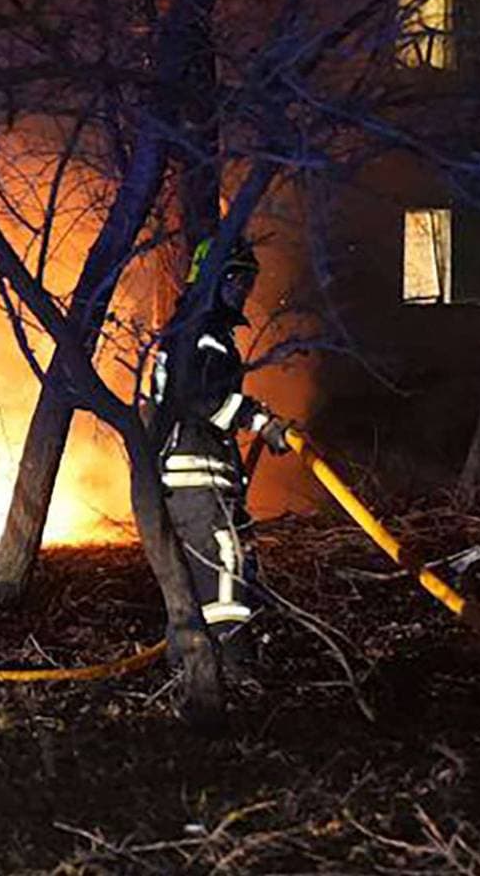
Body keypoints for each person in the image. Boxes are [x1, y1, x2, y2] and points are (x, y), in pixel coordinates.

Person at [150, 237, 293, 675]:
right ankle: (231, 662)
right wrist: (257, 420)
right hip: (195, 472)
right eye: (236, 279)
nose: (243, 290)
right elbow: (201, 398)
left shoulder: (194, 329)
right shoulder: (201, 332)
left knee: (206, 568)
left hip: (196, 470)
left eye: (248, 281)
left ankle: (192, 662)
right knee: (224, 559)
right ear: (215, 279)